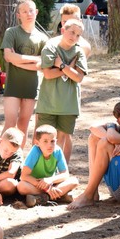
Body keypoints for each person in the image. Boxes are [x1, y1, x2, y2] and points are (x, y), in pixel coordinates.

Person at [35, 19, 88, 163]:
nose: (74, 37)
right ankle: (39, 169)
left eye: (78, 35)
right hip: (48, 103)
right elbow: (48, 74)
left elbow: (78, 77)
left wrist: (61, 65)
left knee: (60, 141)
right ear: (63, 30)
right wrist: (68, 70)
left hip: (69, 106)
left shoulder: (79, 51)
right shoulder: (51, 48)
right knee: (43, 138)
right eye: (72, 32)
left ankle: (57, 171)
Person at [0, 0, 47, 144]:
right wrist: (32, 58)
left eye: (31, 10)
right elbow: (8, 56)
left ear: (36, 12)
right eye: (24, 11)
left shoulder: (42, 38)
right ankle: (0, 155)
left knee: (23, 124)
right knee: (10, 122)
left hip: (31, 86)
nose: (29, 14)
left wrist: (18, 60)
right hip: (13, 85)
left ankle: (18, 158)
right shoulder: (12, 32)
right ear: (18, 15)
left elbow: (42, 64)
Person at [16, 125, 79, 206]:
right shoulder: (35, 151)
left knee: (74, 181)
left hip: (51, 183)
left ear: (56, 141)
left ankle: (42, 198)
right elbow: (24, 176)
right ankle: (60, 196)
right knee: (21, 186)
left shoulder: (57, 151)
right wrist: (47, 189)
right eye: (45, 141)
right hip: (35, 184)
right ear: (37, 143)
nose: (50, 145)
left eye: (52, 141)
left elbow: (65, 174)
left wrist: (50, 180)